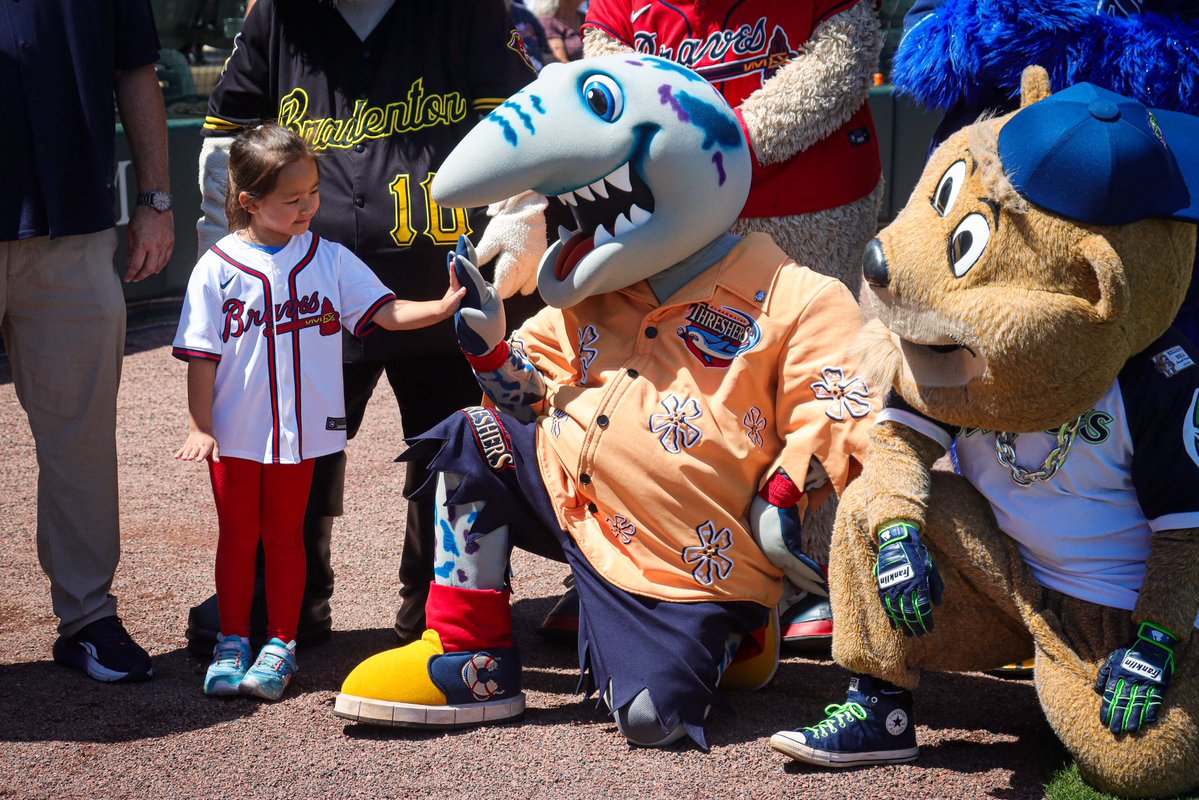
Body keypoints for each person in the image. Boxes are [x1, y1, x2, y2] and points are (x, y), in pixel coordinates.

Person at [187, 0, 540, 652]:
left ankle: (440, 599)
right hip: (306, 291)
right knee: (292, 441)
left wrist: (520, 231)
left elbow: (524, 129)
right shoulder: (279, 18)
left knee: (453, 444)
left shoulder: (468, 12)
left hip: (445, 283)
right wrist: (226, 257)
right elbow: (226, 144)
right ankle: (288, 598)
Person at [174, 124, 465, 700]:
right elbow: (201, 356)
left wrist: (443, 306)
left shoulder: (328, 258)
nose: (308, 206)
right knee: (236, 537)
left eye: (313, 193)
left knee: (286, 537)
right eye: (292, 198)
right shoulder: (218, 266)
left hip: (301, 433)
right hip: (233, 432)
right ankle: (233, 640)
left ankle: (281, 644)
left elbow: (386, 313)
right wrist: (200, 426)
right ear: (249, 202)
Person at [1, 0, 173, 683]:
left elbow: (135, 70)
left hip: (74, 228)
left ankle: (88, 616)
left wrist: (156, 200)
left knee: (81, 438)